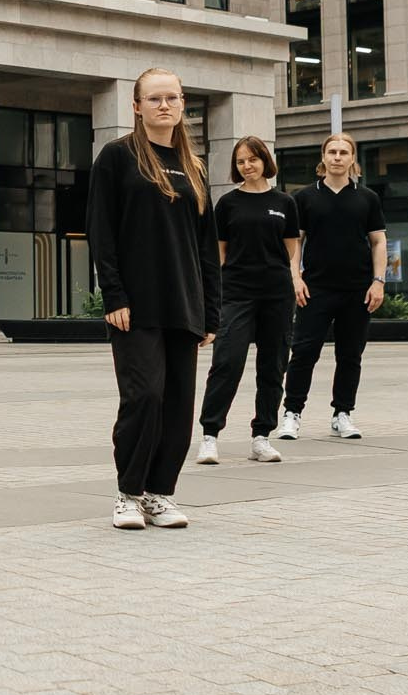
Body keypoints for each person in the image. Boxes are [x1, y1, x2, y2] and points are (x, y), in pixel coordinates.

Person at [88, 67, 219, 530]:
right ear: (137, 106)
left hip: (184, 304)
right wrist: (114, 295)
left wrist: (211, 313)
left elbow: (206, 247)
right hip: (135, 307)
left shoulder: (195, 167)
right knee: (144, 396)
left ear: (183, 104)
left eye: (173, 98)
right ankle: (128, 493)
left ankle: (160, 494)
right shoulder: (117, 158)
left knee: (179, 404)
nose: (165, 106)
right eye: (155, 98)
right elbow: (102, 233)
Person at [197, 135, 301, 466]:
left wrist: (284, 275)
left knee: (273, 366)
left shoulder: (285, 202)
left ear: (264, 161)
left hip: (276, 294)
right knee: (227, 362)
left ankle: (261, 437)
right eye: (241, 161)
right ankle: (210, 436)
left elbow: (290, 247)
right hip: (237, 292)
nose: (247, 165)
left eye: (252, 159)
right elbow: (220, 252)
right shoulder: (227, 203)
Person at [279, 133, 385, 441]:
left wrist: (378, 282)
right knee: (303, 352)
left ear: (353, 159)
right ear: (323, 158)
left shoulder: (367, 198)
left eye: (344, 152)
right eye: (332, 152)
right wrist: (295, 277)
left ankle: (342, 414)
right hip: (316, 288)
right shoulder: (304, 198)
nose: (337, 157)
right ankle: (291, 414)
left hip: (358, 290)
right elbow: (294, 241)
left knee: (350, 355)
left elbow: (378, 242)